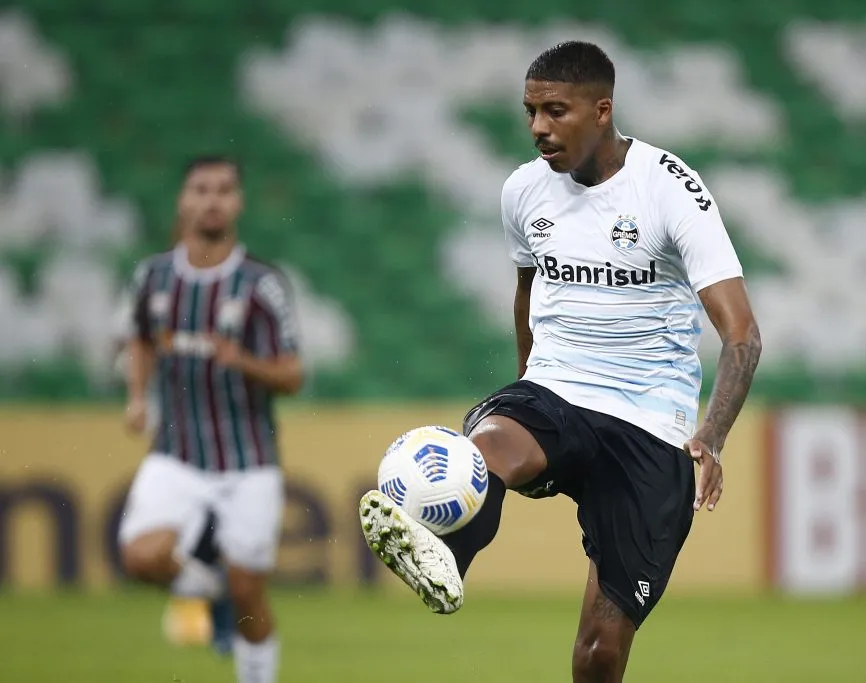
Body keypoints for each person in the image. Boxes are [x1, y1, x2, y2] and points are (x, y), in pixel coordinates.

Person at [358, 41, 762, 681]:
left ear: (602, 111)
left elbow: (742, 334)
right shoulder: (524, 190)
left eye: (555, 111)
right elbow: (527, 291)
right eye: (530, 112)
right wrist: (527, 385)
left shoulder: (669, 188)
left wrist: (711, 437)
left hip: (651, 424)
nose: (539, 128)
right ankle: (445, 558)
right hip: (559, 391)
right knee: (491, 443)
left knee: (599, 655)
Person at [117, 155, 304, 683]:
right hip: (176, 451)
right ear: (183, 200)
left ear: (238, 202)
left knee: (250, 594)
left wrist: (242, 360)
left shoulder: (261, 284)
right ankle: (210, 589)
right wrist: (137, 396)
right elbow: (140, 338)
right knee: (139, 557)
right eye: (201, 189)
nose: (212, 200)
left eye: (223, 190)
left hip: (249, 460)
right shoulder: (153, 277)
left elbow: (292, 375)